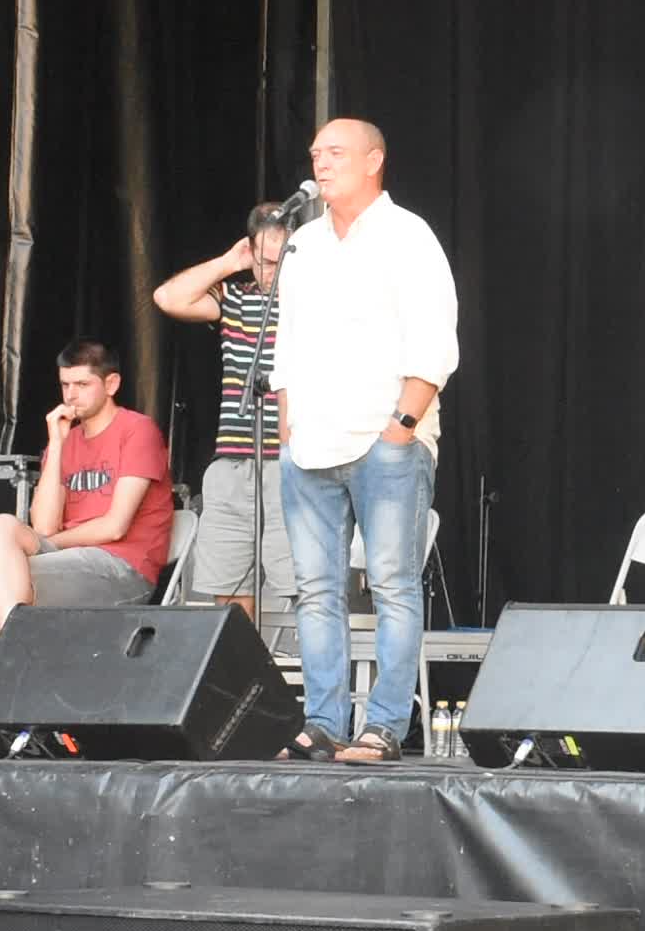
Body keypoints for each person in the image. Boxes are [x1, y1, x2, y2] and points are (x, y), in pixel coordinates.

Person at [270, 118, 458, 762]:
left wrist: (400, 429)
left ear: (374, 161)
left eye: (336, 153)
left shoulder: (408, 235)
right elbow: (287, 344)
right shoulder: (303, 243)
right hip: (311, 447)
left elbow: (435, 341)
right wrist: (288, 429)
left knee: (392, 586)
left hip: (385, 442)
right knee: (317, 590)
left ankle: (384, 727)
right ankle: (322, 722)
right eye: (315, 154)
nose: (320, 164)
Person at [0, 339, 175, 684]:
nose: (71, 395)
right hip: (70, 559)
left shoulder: (137, 430)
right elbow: (44, 525)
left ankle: (14, 661)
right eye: (65, 385)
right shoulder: (66, 441)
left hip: (121, 567)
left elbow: (115, 526)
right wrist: (58, 445)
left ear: (111, 384)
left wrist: (51, 543)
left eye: (82, 384)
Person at [152, 202, 295, 619]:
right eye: (265, 261)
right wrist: (228, 263)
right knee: (229, 594)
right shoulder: (236, 297)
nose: (273, 272)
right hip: (232, 464)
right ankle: (243, 665)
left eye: (282, 260)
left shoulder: (316, 304)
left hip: (293, 463)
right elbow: (167, 297)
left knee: (303, 588)